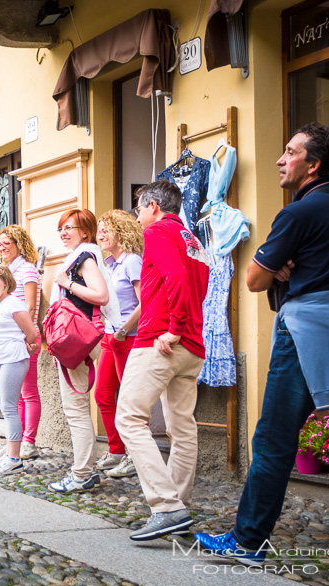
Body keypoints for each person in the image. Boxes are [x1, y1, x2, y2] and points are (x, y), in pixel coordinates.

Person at [195, 123, 329, 569]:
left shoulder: (299, 212)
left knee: (272, 440)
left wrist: (277, 268)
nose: (280, 159)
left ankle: (248, 543)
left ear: (314, 164)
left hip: (306, 333)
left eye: (290, 152)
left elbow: (252, 279)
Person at [116, 180, 209, 541]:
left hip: (163, 340)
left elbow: (175, 278)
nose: (137, 217)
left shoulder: (158, 231)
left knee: (130, 417)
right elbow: (199, 282)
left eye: (139, 208)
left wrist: (174, 327)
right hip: (192, 346)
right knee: (183, 429)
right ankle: (178, 507)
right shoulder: (191, 237)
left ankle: (167, 507)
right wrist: (185, 328)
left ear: (153, 205)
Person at [47, 208, 121, 494]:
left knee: (76, 410)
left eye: (70, 227)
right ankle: (84, 470)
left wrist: (67, 284)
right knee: (76, 409)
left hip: (76, 341)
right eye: (61, 228)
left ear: (85, 232)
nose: (64, 232)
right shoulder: (84, 256)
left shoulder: (84, 258)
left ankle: (82, 473)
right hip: (76, 340)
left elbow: (101, 295)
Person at [93, 210, 144, 479]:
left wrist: (124, 330)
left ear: (121, 232)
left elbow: (145, 302)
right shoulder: (110, 265)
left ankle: (136, 456)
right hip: (110, 338)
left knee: (129, 401)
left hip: (128, 338)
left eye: (106, 229)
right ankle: (116, 450)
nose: (100, 234)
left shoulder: (132, 262)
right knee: (103, 394)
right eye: (99, 229)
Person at [0, 265, 40, 477]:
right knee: (6, 408)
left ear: (6, 282)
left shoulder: (14, 303)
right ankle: (10, 454)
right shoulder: (1, 305)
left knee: (9, 409)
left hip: (12, 359)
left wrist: (26, 344)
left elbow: (32, 332)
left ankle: (14, 459)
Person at [0, 225, 43, 461]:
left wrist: (28, 337)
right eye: (0, 242)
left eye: (7, 242)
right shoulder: (6, 272)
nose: (2, 246)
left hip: (25, 336)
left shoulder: (27, 270)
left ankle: (29, 442)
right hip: (11, 339)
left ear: (19, 244)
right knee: (16, 397)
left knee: (29, 392)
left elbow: (30, 306)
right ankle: (15, 442)